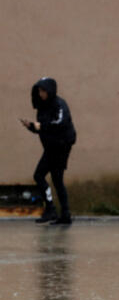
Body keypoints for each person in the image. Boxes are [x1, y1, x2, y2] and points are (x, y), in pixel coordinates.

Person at [21, 77, 76, 225]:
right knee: (55, 180)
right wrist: (31, 126)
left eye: (43, 91)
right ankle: (64, 214)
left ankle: (53, 210)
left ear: (50, 91)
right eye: (39, 91)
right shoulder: (42, 107)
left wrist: (40, 126)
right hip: (51, 146)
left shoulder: (59, 104)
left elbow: (59, 123)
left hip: (61, 146)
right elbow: (42, 128)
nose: (40, 94)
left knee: (41, 176)